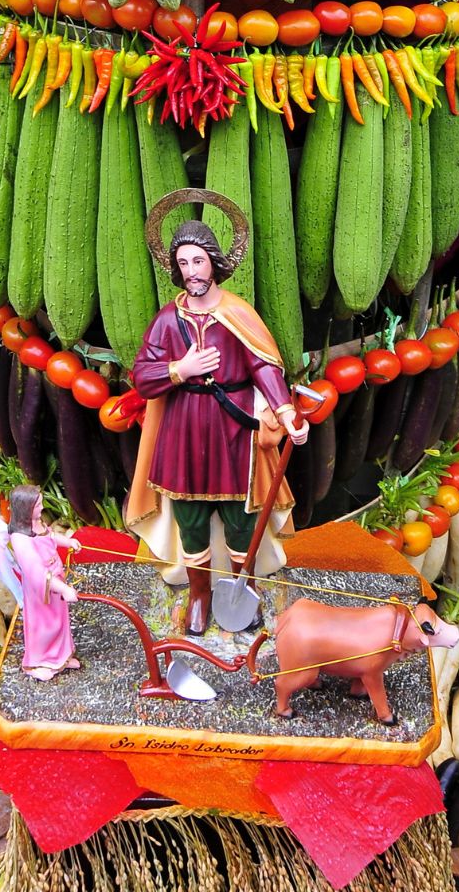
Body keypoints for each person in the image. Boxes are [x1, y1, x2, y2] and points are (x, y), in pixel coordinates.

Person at [127, 218, 308, 634]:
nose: (191, 270)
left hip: (234, 431)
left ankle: (240, 592)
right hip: (183, 429)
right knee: (190, 520)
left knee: (240, 517)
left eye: (198, 260)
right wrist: (180, 368)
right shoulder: (167, 321)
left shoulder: (238, 314)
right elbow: (142, 376)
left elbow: (263, 365)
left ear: (215, 263)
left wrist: (285, 413)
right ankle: (200, 596)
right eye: (183, 262)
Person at [7, 484, 82, 680]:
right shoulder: (20, 538)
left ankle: (61, 659)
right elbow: (36, 572)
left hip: (55, 581)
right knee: (45, 626)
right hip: (42, 591)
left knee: (60, 622)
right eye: (37, 505)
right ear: (25, 508)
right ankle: (38, 663)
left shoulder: (37, 524)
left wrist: (68, 541)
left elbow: (50, 536)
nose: (42, 508)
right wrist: (63, 589)